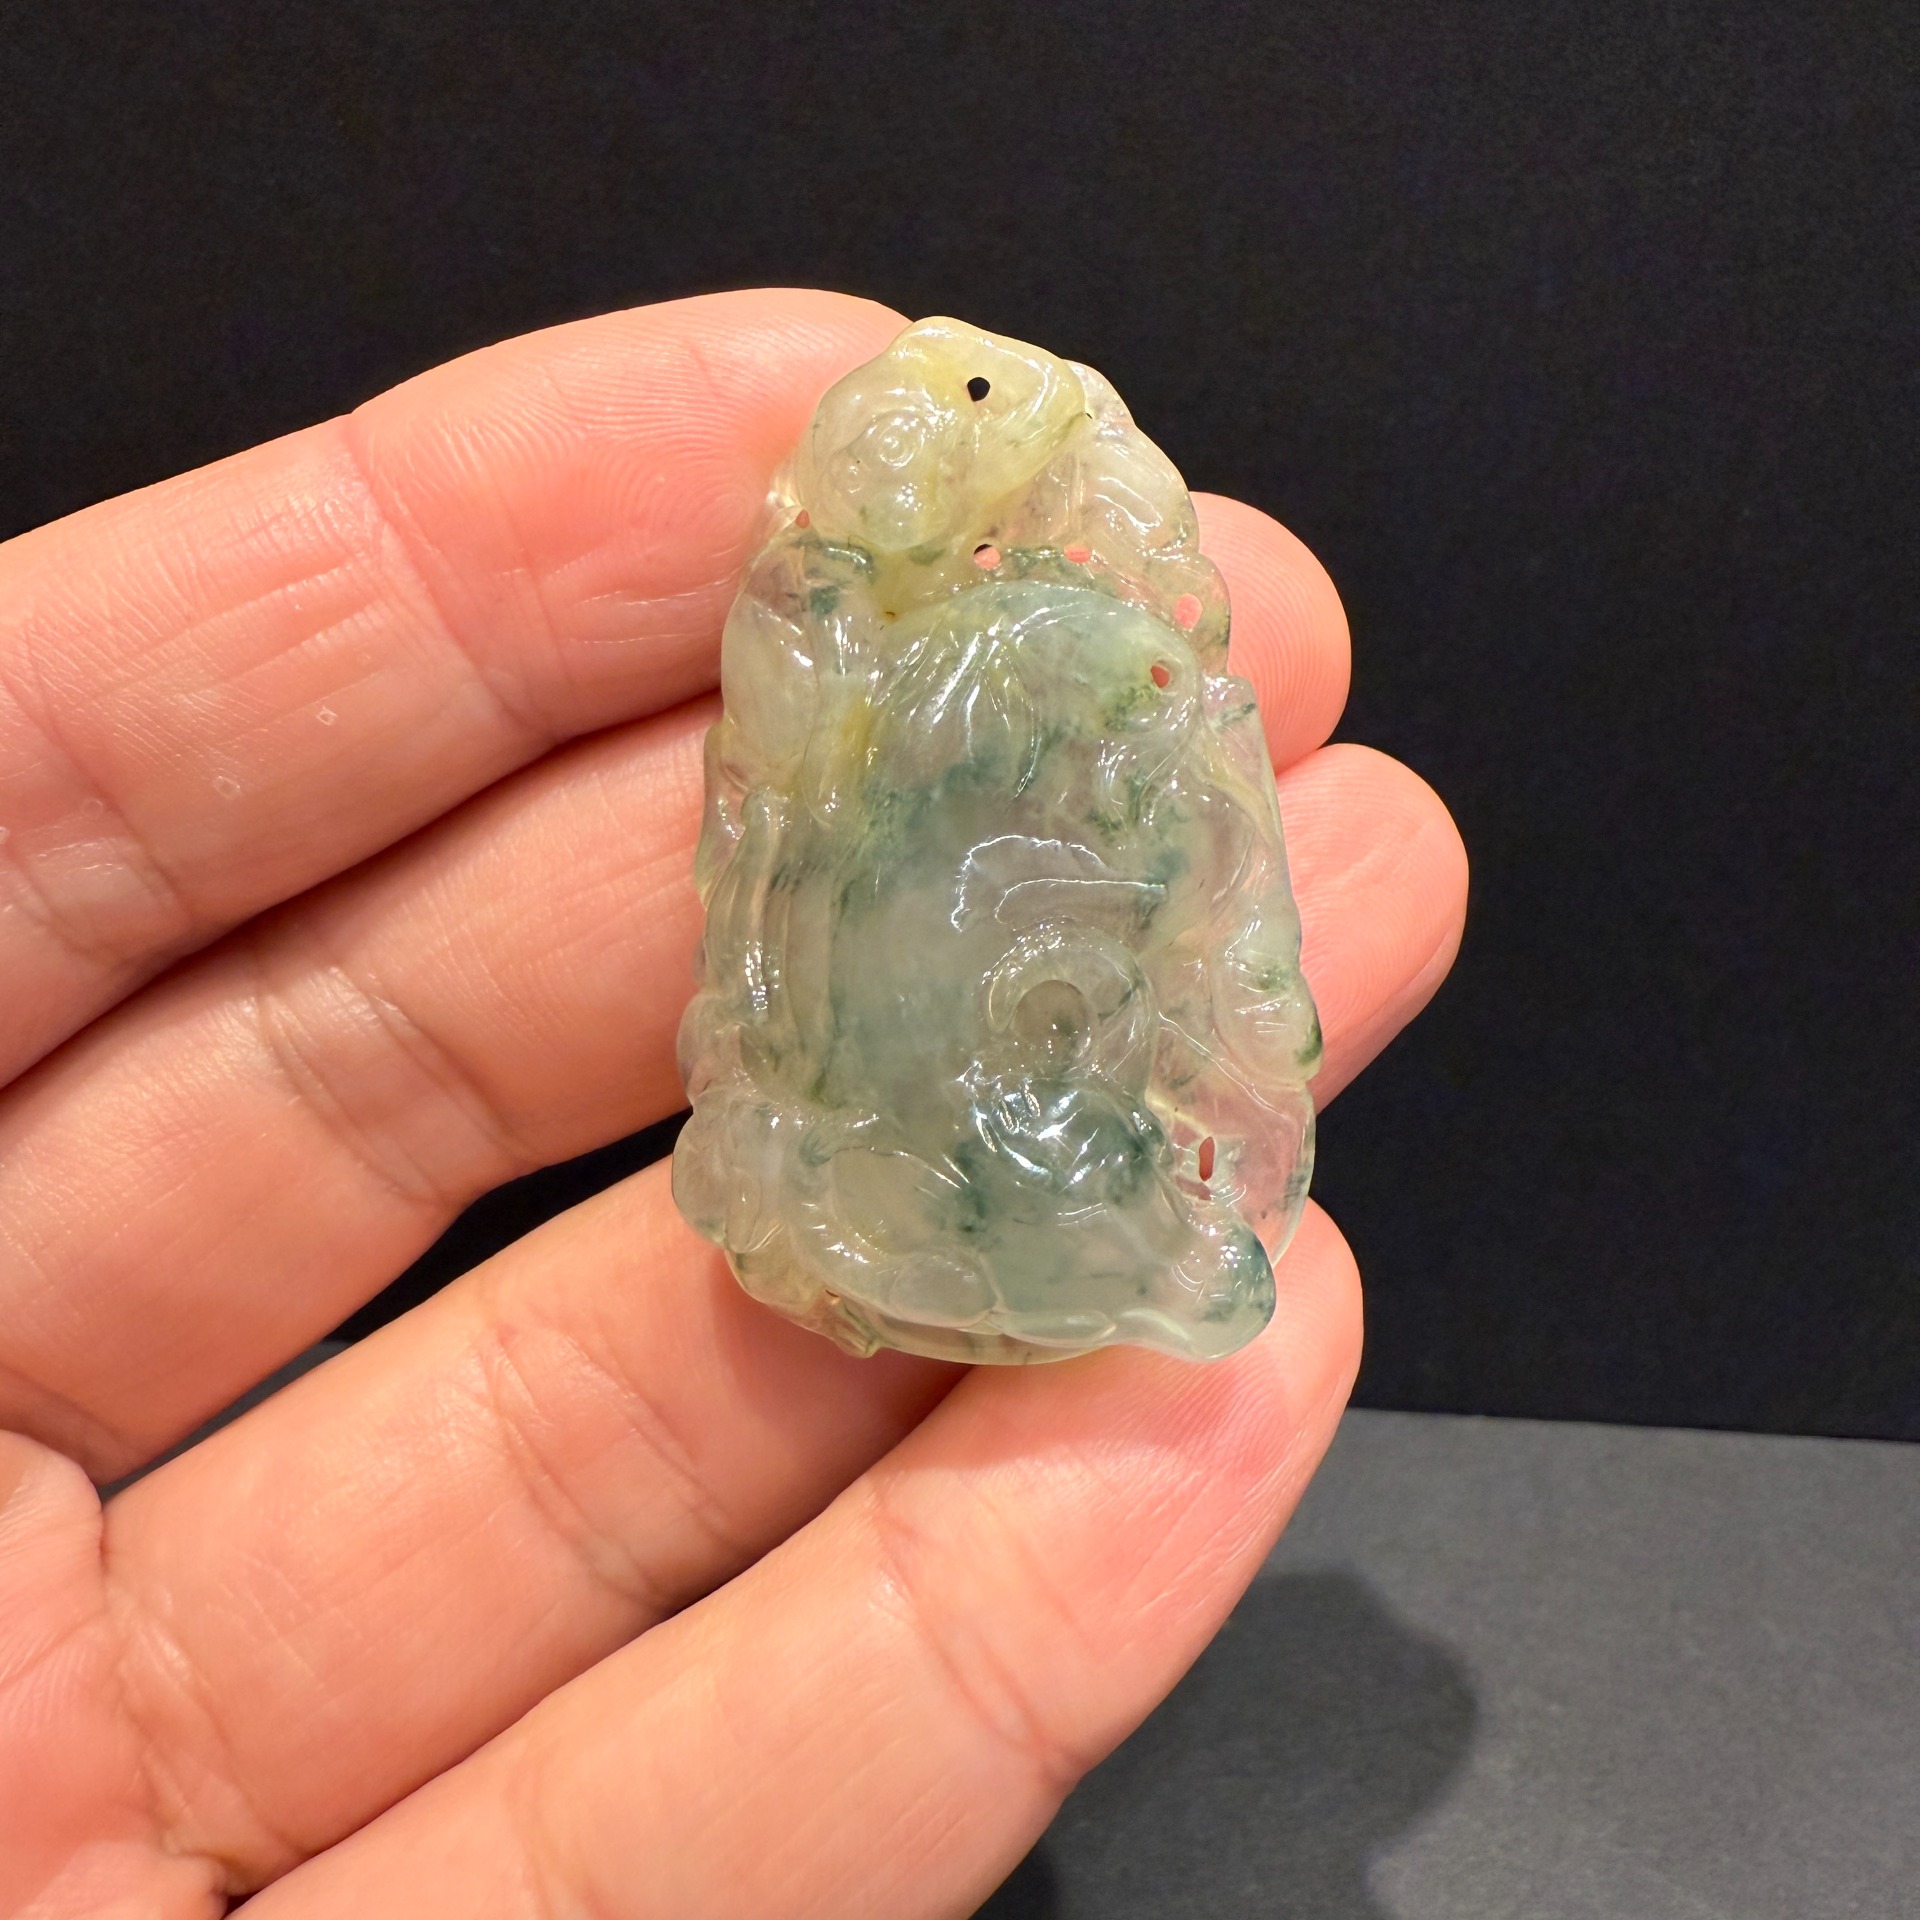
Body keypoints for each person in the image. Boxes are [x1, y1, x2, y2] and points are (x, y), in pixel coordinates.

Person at [0, 290, 1466, 1917]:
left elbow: (1196, 920)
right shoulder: (852, 656)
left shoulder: (1098, 663)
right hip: (895, 1087)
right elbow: (787, 872)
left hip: (1016, 1068)